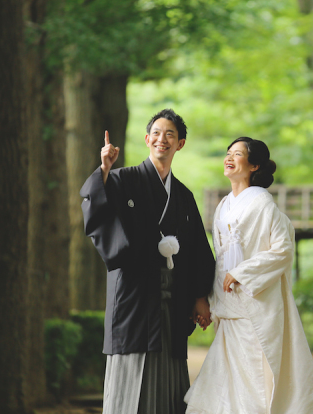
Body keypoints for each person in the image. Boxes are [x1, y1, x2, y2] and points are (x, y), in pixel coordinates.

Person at [81, 109, 215, 414]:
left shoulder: (183, 196)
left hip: (173, 303)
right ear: (146, 139)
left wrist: (200, 297)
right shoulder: (121, 179)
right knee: (130, 386)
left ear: (180, 143)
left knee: (169, 386)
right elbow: (95, 209)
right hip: (135, 297)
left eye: (170, 134)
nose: (161, 139)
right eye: (156, 133)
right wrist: (103, 169)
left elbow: (196, 251)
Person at [185, 137, 313, 414]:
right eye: (228, 153)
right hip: (229, 308)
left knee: (254, 379)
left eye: (237, 154)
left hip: (255, 306)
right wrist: (208, 301)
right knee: (225, 381)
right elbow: (221, 261)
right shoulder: (223, 206)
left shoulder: (263, 203)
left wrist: (242, 273)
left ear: (254, 165)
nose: (229, 158)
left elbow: (283, 250)